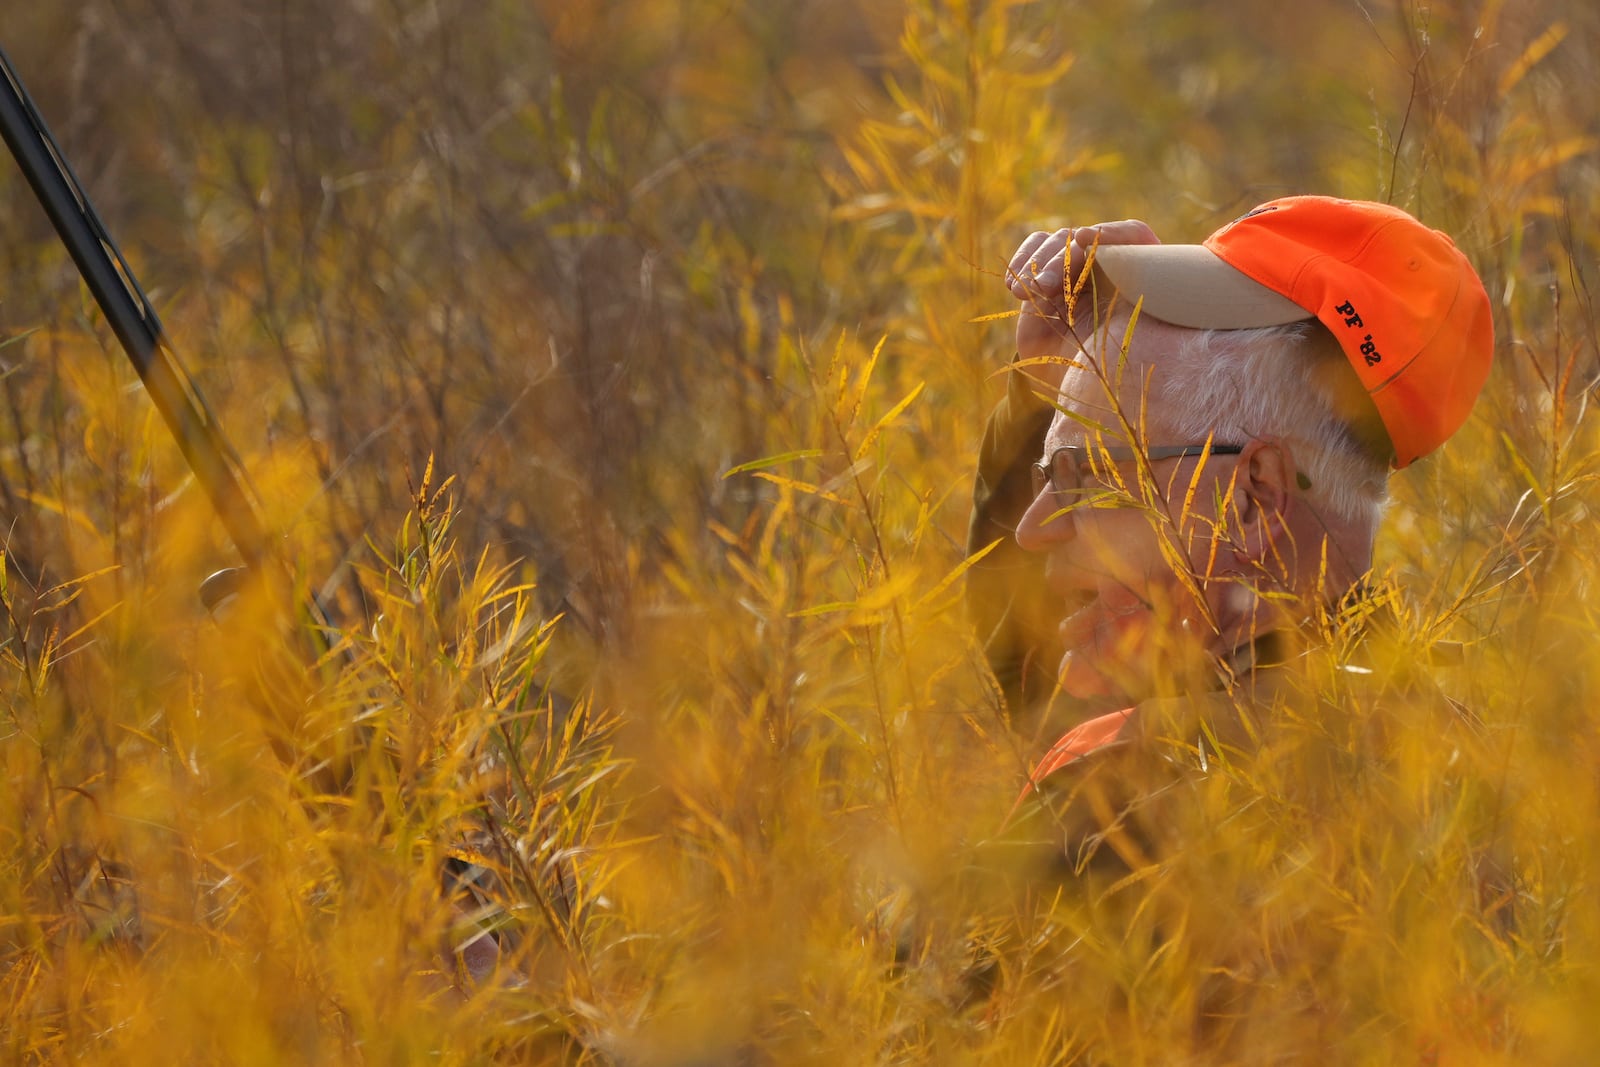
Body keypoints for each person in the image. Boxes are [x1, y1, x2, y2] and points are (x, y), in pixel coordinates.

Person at [966, 196, 1494, 869]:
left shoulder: (1120, 811)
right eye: (1047, 474)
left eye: (1092, 477)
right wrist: (1042, 400)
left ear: (1254, 500)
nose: (1034, 530)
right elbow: (1045, 692)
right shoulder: (1474, 771)